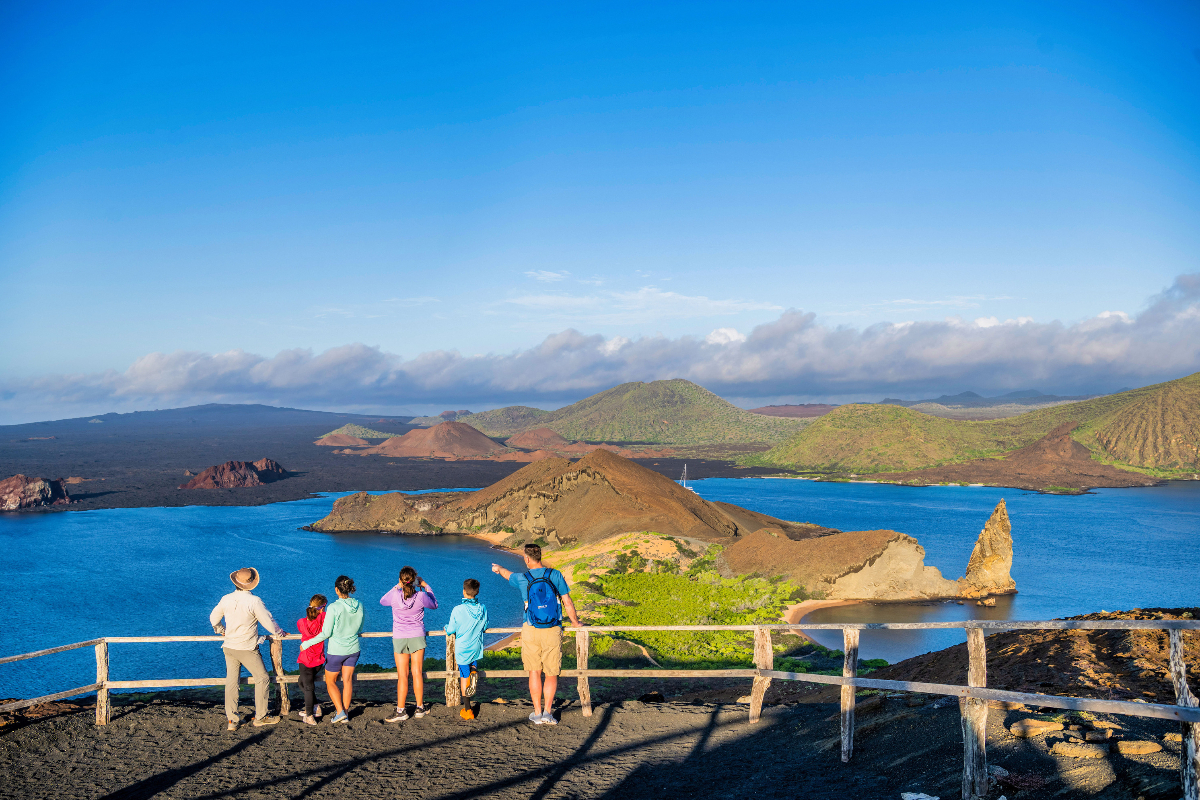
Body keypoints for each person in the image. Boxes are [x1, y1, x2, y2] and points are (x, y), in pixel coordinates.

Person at [491, 544, 579, 725]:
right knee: (551, 672)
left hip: (531, 629)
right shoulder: (555, 575)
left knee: (534, 672)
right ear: (540, 556)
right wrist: (576, 623)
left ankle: (537, 713)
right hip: (553, 629)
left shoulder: (523, 578)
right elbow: (567, 602)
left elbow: (507, 574)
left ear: (527, 558)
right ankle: (548, 712)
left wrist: (498, 569)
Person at [209, 567, 285, 731]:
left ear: (236, 582)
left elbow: (213, 618)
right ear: (251, 584)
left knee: (232, 682)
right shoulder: (254, 601)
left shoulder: (226, 599)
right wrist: (279, 632)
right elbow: (268, 622)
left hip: (229, 646)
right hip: (247, 647)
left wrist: (221, 630)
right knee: (263, 678)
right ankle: (261, 717)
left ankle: (232, 720)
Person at [300, 575, 363, 725]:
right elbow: (359, 627)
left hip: (337, 651)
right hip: (354, 648)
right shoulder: (359, 604)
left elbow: (326, 633)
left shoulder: (334, 607)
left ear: (336, 589)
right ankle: (345, 714)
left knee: (331, 682)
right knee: (347, 681)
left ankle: (340, 711)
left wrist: (307, 644)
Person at [380, 566, 437, 722]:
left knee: (402, 676)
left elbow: (382, 601)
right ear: (414, 579)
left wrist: (397, 586)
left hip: (399, 637)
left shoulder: (394, 596)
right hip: (417, 636)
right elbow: (434, 604)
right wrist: (425, 586)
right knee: (417, 672)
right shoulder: (420, 596)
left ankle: (401, 711)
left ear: (401, 579)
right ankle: (419, 708)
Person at [445, 578, 489, 720]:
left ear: (464, 591)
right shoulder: (482, 608)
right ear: (477, 592)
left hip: (463, 649)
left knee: (464, 678)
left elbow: (451, 629)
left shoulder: (457, 609)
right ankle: (474, 669)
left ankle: (467, 710)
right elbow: (485, 626)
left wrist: (446, 628)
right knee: (471, 665)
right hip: (476, 647)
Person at [295, 594, 327, 725]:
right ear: (322, 608)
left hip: (306, 660)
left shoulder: (301, 623)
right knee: (301, 683)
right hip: (318, 660)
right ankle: (316, 707)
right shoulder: (324, 618)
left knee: (307, 686)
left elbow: (304, 628)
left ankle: (309, 715)